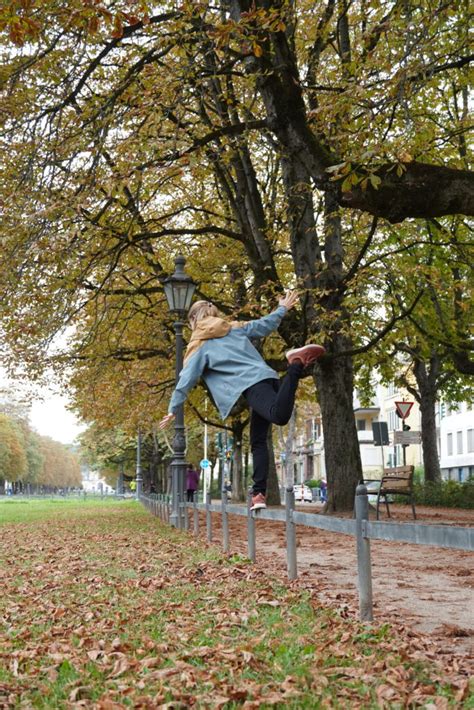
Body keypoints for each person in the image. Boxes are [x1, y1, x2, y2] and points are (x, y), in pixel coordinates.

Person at [159, 290, 325, 511]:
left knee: (279, 415)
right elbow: (264, 325)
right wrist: (282, 308)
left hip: (253, 386)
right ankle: (259, 495)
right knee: (257, 440)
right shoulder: (233, 328)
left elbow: (185, 379)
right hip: (268, 379)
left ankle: (295, 364)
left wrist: (172, 409)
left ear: (193, 320)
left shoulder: (199, 346)